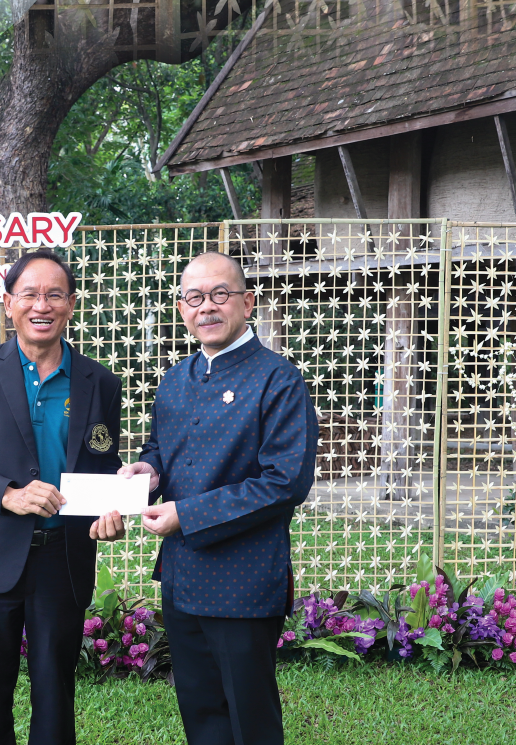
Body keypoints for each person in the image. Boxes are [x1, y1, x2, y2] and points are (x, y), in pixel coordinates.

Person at [119, 251, 317, 745]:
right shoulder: (175, 379)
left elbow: (285, 483)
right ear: (182, 309)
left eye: (220, 294)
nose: (206, 306)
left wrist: (185, 514)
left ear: (247, 303)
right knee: (201, 711)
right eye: (194, 298)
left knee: (250, 719)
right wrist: (149, 471)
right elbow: (161, 450)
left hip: (243, 581)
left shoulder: (278, 380)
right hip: (181, 577)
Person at [0, 248, 125, 745]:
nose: (42, 305)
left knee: (56, 692)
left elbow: (103, 463)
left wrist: (113, 508)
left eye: (54, 295)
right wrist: (7, 494)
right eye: (30, 294)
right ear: (8, 303)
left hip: (63, 559)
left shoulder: (100, 382)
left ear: (71, 304)